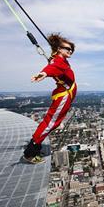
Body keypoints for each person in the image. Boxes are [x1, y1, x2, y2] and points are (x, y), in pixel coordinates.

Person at [23, 33, 77, 164]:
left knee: (52, 122)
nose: (69, 51)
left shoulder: (60, 59)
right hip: (63, 96)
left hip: (65, 95)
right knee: (50, 123)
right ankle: (30, 152)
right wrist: (44, 73)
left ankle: (35, 146)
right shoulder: (57, 61)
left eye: (71, 49)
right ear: (59, 49)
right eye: (66, 48)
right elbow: (53, 67)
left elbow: (55, 66)